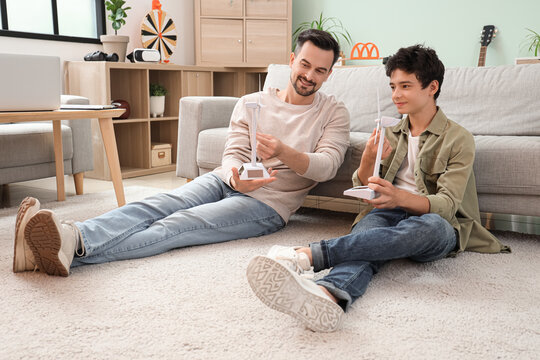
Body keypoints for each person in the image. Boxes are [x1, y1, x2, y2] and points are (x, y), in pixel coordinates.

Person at [12, 29, 350, 277]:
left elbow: (326, 167)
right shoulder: (252, 102)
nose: (309, 76)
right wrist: (234, 174)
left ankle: (66, 247)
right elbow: (233, 152)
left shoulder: (333, 112)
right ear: (292, 60)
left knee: (178, 226)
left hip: (267, 205)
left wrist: (283, 151)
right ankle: (72, 237)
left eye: (320, 70)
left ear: (330, 73)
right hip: (226, 181)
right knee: (159, 204)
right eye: (305, 65)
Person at [246, 44, 510, 333]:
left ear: (432, 87)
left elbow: (446, 205)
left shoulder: (459, 139)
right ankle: (329, 294)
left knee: (430, 227)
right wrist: (369, 159)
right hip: (388, 212)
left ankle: (309, 255)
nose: (396, 95)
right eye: (393, 86)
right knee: (369, 239)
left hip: (437, 223)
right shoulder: (391, 132)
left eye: (405, 86)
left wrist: (398, 195)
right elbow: (364, 188)